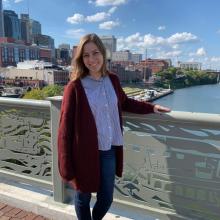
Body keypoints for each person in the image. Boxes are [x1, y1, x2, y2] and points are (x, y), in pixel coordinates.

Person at [57, 33, 171, 220]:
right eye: (86, 55)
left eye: (95, 53)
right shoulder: (75, 87)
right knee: (83, 196)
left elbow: (125, 103)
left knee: (106, 198)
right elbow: (64, 130)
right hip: (83, 152)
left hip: (109, 149)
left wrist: (152, 107)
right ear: (81, 59)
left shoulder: (113, 80)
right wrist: (65, 165)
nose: (92, 59)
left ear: (103, 53)